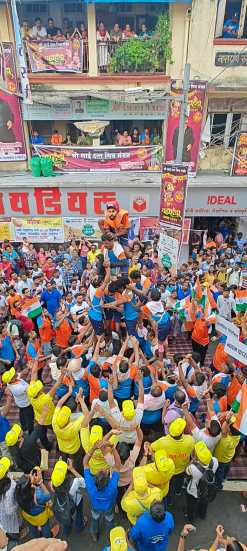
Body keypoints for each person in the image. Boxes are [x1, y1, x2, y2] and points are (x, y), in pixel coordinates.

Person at [83, 439, 121, 542]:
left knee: (95, 519)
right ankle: (110, 536)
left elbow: (85, 463)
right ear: (108, 480)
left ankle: (94, 535)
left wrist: (93, 448)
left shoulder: (91, 486)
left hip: (95, 506)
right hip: (108, 507)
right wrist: (113, 449)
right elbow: (118, 465)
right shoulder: (111, 487)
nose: (103, 469)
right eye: (104, 472)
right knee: (110, 521)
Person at [50, 459, 86, 537]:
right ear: (65, 474)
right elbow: (84, 483)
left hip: (63, 503)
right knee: (79, 513)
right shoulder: (74, 482)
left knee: (66, 516)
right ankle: (79, 527)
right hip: (76, 501)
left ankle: (67, 531)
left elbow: (53, 490)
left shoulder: (53, 482)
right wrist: (71, 468)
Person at [185, 440, 218, 523]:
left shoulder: (193, 468)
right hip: (207, 488)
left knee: (191, 506)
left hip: (194, 491)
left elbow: (187, 472)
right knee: (204, 503)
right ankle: (202, 515)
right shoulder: (214, 461)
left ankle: (191, 519)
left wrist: (192, 461)